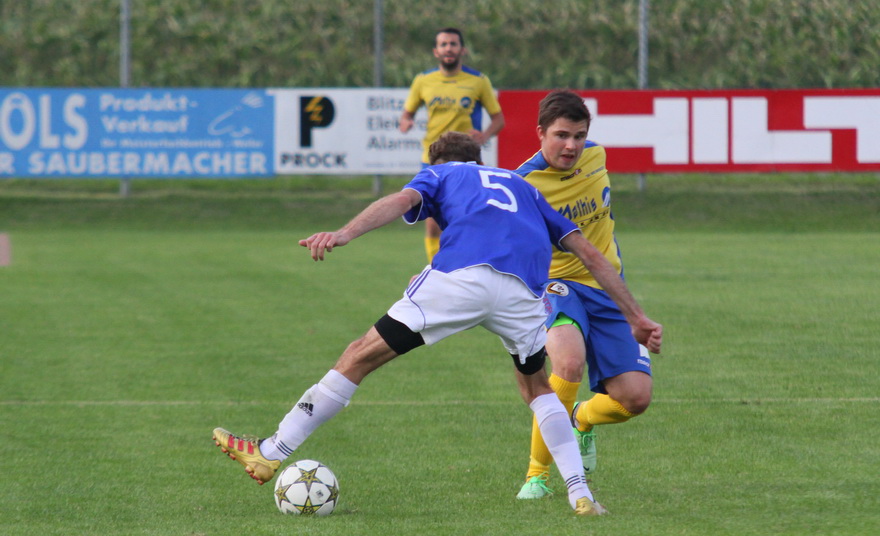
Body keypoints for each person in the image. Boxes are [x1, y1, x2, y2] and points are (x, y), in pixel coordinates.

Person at [212, 132, 661, 516]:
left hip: (460, 280)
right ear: (480, 160)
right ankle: (581, 495)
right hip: (524, 295)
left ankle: (271, 452)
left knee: (358, 356)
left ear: (436, 162)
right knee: (538, 389)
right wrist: (636, 317)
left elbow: (401, 200)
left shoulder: (442, 174)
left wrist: (344, 233)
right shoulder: (522, 186)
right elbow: (589, 253)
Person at [515, 90, 661, 500]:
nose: (571, 146)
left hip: (607, 284)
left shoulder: (597, 156)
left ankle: (581, 417)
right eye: (561, 135)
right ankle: (537, 475)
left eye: (579, 136)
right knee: (568, 362)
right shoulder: (523, 184)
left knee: (634, 399)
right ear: (541, 133)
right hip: (556, 285)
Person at [399, 27, 505, 262]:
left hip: (466, 159)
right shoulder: (423, 80)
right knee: (433, 222)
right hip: (433, 160)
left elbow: (499, 119)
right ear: (436, 51)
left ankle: (473, 262)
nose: (448, 48)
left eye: (453, 44)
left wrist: (484, 135)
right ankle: (436, 268)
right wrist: (406, 122)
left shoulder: (478, 81)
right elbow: (407, 114)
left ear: (462, 50)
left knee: (468, 214)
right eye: (444, 44)